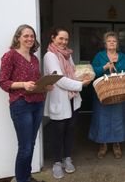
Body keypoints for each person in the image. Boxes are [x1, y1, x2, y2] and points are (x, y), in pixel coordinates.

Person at [0, 24, 48, 182]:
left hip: (37, 103)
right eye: (26, 36)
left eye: (32, 36)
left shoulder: (34, 58)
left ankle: (26, 176)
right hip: (21, 105)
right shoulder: (10, 56)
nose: (29, 39)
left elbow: (35, 82)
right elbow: (3, 82)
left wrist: (46, 85)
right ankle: (21, 179)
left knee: (31, 144)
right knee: (25, 147)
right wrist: (23, 84)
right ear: (18, 37)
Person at [43, 27, 91, 179]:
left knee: (70, 131)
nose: (64, 42)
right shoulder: (50, 56)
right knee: (58, 132)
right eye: (60, 38)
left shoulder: (67, 55)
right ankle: (57, 163)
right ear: (53, 38)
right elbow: (59, 79)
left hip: (72, 99)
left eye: (66, 39)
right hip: (60, 99)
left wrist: (83, 75)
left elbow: (73, 73)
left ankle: (67, 159)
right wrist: (81, 85)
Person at [88, 31, 125, 159]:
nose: (112, 43)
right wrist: (105, 67)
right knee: (102, 118)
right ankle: (103, 144)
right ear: (105, 43)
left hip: (119, 91)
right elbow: (92, 71)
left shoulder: (123, 57)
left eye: (114, 41)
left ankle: (116, 144)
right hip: (103, 92)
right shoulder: (99, 56)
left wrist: (119, 70)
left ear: (117, 43)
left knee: (118, 119)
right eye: (109, 41)